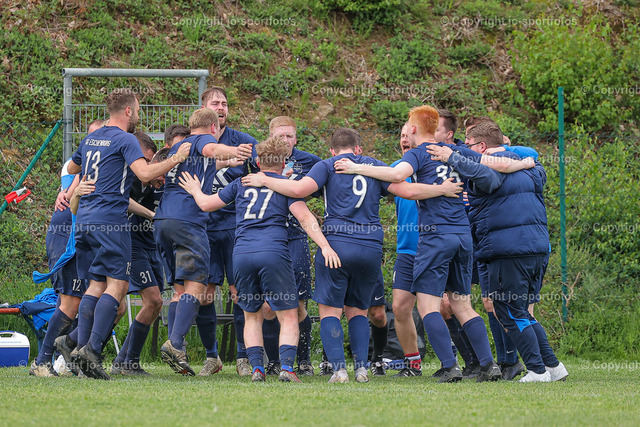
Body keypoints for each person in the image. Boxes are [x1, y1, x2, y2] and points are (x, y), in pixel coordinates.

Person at [242, 127, 463, 383]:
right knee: (358, 311)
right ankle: (361, 369)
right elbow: (410, 192)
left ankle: (339, 370)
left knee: (330, 312)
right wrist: (441, 189)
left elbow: (299, 190)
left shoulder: (326, 165)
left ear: (332, 151)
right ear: (358, 149)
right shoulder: (375, 166)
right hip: (369, 247)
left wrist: (265, 179)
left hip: (337, 244)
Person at [333, 107, 532, 382]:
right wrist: (524, 163)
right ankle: (489, 364)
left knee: (428, 306)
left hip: (435, 235)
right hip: (462, 235)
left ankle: (450, 366)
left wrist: (355, 167)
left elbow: (395, 175)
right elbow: (497, 164)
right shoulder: (453, 151)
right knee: (462, 305)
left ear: (414, 129)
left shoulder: (418, 154)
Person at [178, 136, 341, 383]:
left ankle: (257, 369)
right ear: (284, 163)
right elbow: (306, 218)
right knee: (288, 314)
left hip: (242, 254)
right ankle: (287, 368)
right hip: (273, 252)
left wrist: (194, 189)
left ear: (256, 162)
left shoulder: (241, 183)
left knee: (251, 314)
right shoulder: (285, 186)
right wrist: (325, 246)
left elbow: (206, 204)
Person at [65, 88, 193, 380]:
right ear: (127, 111)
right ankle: (92, 350)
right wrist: (177, 157)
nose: (138, 115)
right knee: (118, 286)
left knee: (96, 284)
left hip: (84, 218)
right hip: (110, 220)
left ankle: (83, 348)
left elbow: (72, 166)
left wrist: (85, 182)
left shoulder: (91, 138)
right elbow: (145, 174)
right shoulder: (125, 139)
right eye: (137, 110)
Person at [426, 121, 568, 382]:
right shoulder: (531, 167)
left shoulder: (490, 171)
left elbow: (483, 175)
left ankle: (536, 370)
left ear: (482, 146)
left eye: (469, 144)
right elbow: (523, 156)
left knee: (509, 311)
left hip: (508, 250)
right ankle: (553, 366)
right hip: (536, 248)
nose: (465, 148)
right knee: (522, 311)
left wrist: (452, 156)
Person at [156, 107, 252, 376]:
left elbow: (206, 163)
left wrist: (227, 162)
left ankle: (177, 348)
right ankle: (175, 344)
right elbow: (211, 150)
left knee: (179, 291)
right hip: (188, 222)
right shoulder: (203, 140)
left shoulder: (181, 147)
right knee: (197, 288)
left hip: (163, 221)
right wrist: (234, 150)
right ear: (212, 128)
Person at [198, 86, 259, 376]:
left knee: (239, 291)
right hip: (204, 227)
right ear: (204, 109)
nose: (221, 107)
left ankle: (243, 356)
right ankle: (212, 357)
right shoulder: (195, 142)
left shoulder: (244, 142)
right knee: (205, 293)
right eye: (215, 103)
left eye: (224, 103)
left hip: (237, 227)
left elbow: (264, 169)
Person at [260, 116, 322, 376]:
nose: (285, 140)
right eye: (280, 135)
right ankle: (274, 361)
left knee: (297, 305)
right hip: (266, 238)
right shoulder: (259, 159)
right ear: (271, 137)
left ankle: (304, 360)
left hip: (296, 237)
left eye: (289, 136)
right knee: (267, 306)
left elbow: (328, 185)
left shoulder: (312, 162)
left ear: (296, 139)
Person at [110, 133, 166, 376]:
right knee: (147, 301)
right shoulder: (128, 176)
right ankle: (78, 350)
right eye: (145, 160)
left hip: (153, 248)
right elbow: (122, 201)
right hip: (131, 245)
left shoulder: (166, 180)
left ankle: (122, 361)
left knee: (154, 304)